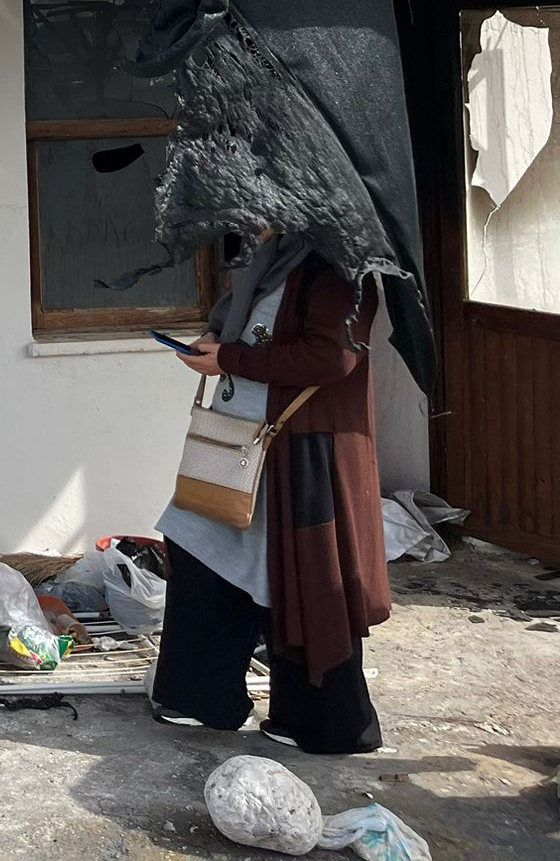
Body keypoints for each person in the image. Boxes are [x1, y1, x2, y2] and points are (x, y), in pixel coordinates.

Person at [150, 233, 392, 755]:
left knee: (304, 580)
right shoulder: (274, 257)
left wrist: (231, 358)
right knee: (199, 553)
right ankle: (202, 699)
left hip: (297, 451)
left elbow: (334, 356)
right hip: (236, 441)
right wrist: (215, 341)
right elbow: (253, 330)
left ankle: (322, 723)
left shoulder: (338, 263)